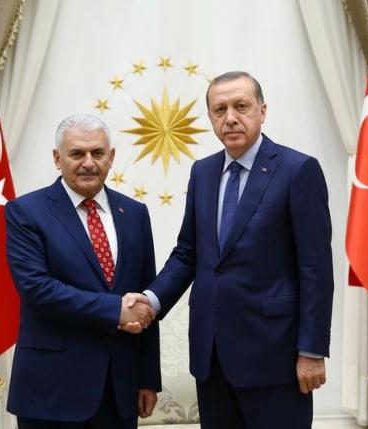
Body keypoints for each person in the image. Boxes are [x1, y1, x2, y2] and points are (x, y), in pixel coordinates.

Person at [143, 71, 334, 428]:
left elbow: (316, 269)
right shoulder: (203, 172)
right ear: (211, 117)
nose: (230, 117)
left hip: (275, 357)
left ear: (262, 111)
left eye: (241, 106)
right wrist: (151, 301)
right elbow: (188, 254)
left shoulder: (298, 170)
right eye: (219, 109)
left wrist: (311, 351)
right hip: (211, 355)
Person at [5, 114, 161, 429]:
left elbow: (145, 295)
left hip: (119, 390)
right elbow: (38, 290)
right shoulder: (26, 212)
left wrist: (147, 378)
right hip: (51, 390)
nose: (88, 163)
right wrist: (114, 309)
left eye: (97, 153)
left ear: (111, 157)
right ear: (57, 158)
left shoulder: (134, 213)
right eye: (77, 154)